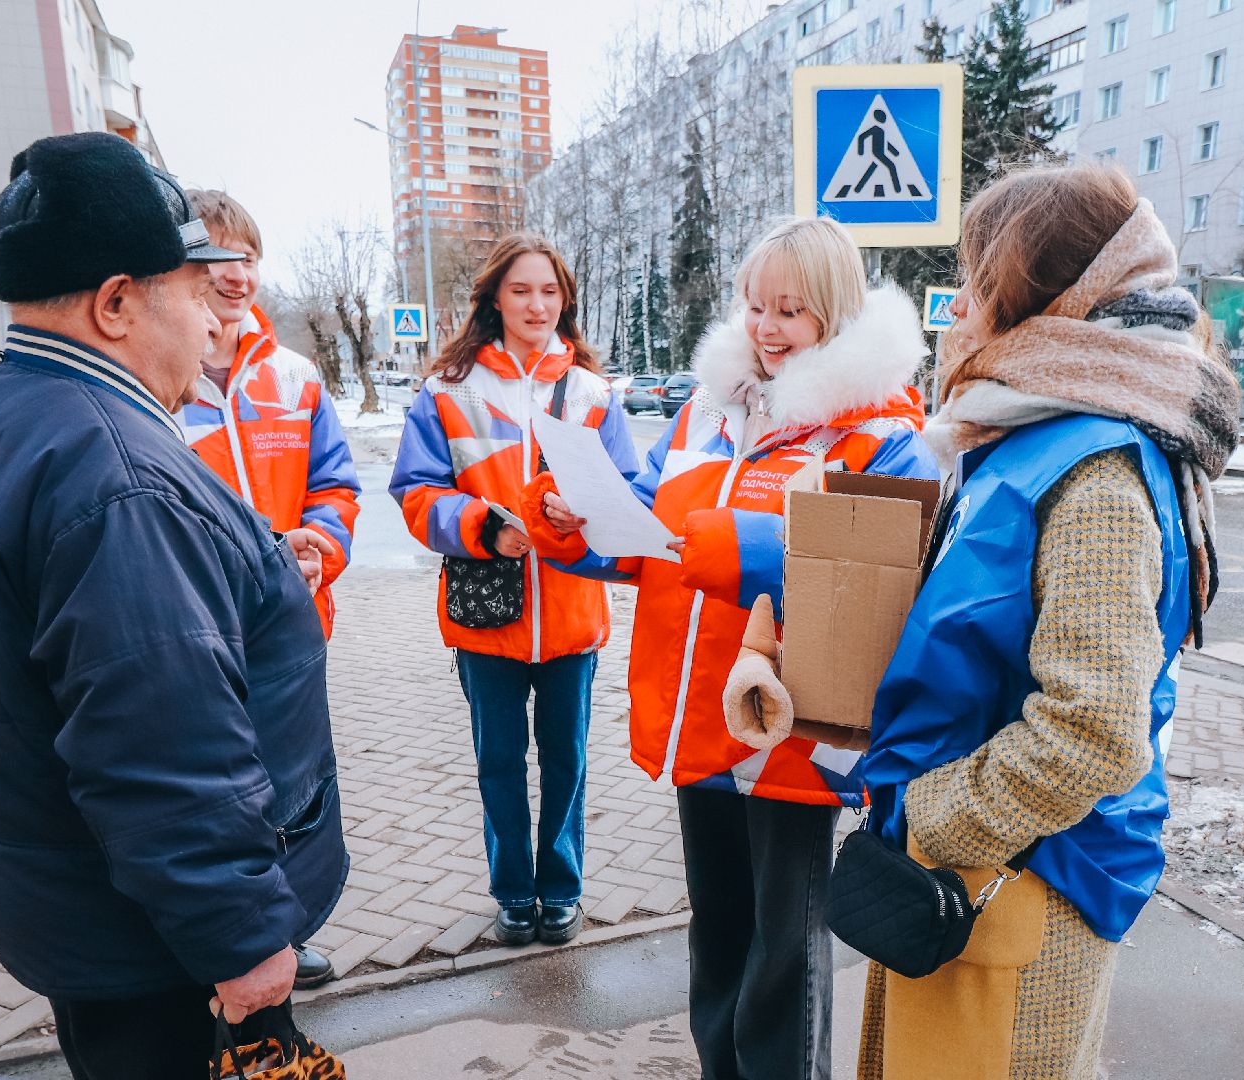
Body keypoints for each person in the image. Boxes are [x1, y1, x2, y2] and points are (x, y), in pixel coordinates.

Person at [0, 132, 348, 1079]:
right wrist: (245, 942)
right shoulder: (117, 471)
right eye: (197, 295)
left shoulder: (2, 406)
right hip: (163, 947)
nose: (219, 326)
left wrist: (242, 572)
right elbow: (162, 745)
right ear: (117, 303)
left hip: (95, 910)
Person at [523, 216, 939, 1080]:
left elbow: (878, 578)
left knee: (785, 958)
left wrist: (740, 552)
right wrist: (573, 523)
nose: (767, 327)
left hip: (790, 732)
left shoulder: (883, 432)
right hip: (701, 727)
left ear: (835, 313)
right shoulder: (708, 412)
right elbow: (652, 527)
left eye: (791, 310)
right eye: (756, 305)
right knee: (717, 937)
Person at [855, 163, 1241, 1079]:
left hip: (1019, 881)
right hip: (979, 875)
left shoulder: (1094, 464)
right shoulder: (1030, 429)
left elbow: (1092, 730)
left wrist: (937, 819)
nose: (958, 310)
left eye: (977, 283)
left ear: (1042, 296)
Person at [389, 233, 637, 947]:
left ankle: (560, 889)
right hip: (485, 617)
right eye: (522, 290)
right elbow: (413, 492)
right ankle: (513, 892)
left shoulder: (593, 394)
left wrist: (581, 515)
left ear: (566, 300)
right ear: (495, 296)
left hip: (572, 616)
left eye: (550, 291)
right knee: (499, 763)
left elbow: (626, 496)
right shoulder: (449, 389)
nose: (537, 304)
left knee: (567, 762)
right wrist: (481, 525)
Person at [173, 191, 360, 989]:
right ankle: (228, 946)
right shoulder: (162, 380)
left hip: (292, 626)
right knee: (221, 796)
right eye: (216, 256)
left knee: (295, 788)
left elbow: (337, 486)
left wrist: (321, 544)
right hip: (202, 630)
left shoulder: (296, 376)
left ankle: (289, 930)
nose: (236, 273)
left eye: (246, 254)